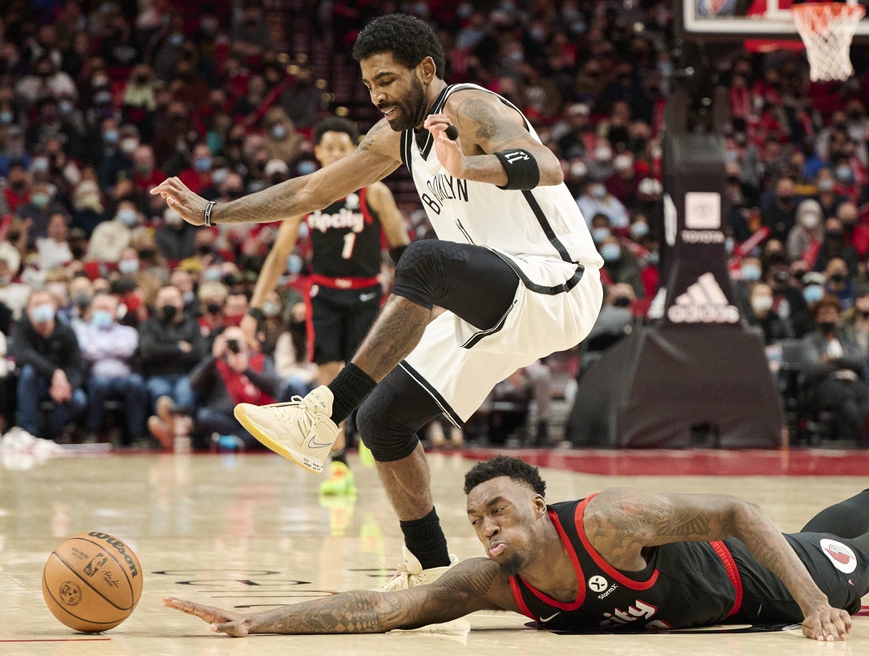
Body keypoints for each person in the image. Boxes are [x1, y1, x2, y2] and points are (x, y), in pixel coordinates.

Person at [151, 14, 603, 591]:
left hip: (557, 281)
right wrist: (214, 211)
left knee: (422, 259)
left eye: (387, 80)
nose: (378, 95)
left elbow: (547, 164)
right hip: (495, 298)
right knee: (383, 421)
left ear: (426, 70)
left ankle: (321, 415)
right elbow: (312, 190)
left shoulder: (468, 107)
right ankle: (434, 575)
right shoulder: (397, 135)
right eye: (369, 85)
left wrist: (472, 167)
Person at [164, 444, 869, 638]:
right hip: (731, 584)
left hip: (754, 577)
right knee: (823, 532)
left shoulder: (608, 520)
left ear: (539, 503)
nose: (487, 526)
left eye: (502, 510)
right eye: (477, 517)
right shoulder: (492, 581)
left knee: (853, 568)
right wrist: (264, 622)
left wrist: (807, 609)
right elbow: (386, 603)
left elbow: (734, 515)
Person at [240, 116, 411, 493]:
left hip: (368, 292)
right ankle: (337, 464)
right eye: (328, 146)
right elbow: (279, 255)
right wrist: (253, 310)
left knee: (370, 374)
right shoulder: (308, 195)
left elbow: (401, 245)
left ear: (355, 150)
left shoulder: (374, 191)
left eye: (342, 146)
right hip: (324, 294)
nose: (335, 152)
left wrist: (419, 293)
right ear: (316, 152)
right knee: (328, 377)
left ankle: (368, 432)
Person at [189, 326, 306, 450]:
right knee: (205, 416)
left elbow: (275, 387)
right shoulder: (216, 363)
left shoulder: (260, 359)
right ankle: (248, 439)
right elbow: (194, 384)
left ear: (245, 342)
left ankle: (239, 440)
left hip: (258, 414)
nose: (233, 346)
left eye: (237, 341)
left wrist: (246, 370)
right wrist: (213, 357)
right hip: (231, 417)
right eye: (229, 341)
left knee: (273, 422)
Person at [799, 296, 869, 444]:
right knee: (845, 396)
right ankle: (864, 432)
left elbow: (860, 361)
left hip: (851, 380)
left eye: (832, 314)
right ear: (817, 318)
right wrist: (843, 363)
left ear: (838, 316)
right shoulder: (810, 340)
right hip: (825, 384)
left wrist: (835, 359)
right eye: (824, 314)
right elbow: (812, 369)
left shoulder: (847, 338)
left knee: (868, 392)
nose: (828, 317)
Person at [9, 289, 86, 439]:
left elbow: (76, 366)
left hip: (60, 385)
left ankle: (48, 435)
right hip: (33, 384)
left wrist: (66, 386)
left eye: (45, 303)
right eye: (37, 304)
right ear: (28, 309)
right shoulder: (21, 327)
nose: (41, 308)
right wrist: (54, 372)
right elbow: (23, 355)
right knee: (28, 372)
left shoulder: (66, 331)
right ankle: (28, 433)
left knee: (79, 400)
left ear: (55, 306)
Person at [73, 293, 146, 445]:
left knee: (137, 383)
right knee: (98, 384)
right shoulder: (83, 330)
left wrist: (99, 347)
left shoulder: (128, 331)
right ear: (92, 310)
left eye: (107, 309)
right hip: (96, 377)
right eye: (99, 308)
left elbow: (128, 350)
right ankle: (92, 433)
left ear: (115, 312)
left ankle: (137, 437)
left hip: (124, 378)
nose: (103, 312)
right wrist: (114, 348)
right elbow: (86, 351)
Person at [140, 285, 203, 448]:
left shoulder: (192, 325)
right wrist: (178, 348)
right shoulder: (148, 326)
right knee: (161, 395)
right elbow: (148, 352)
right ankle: (180, 436)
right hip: (157, 375)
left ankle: (169, 434)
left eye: (172, 300)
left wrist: (163, 350)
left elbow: (199, 354)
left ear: (181, 303)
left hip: (186, 375)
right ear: (156, 304)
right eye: (164, 300)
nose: (168, 304)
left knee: (185, 393)